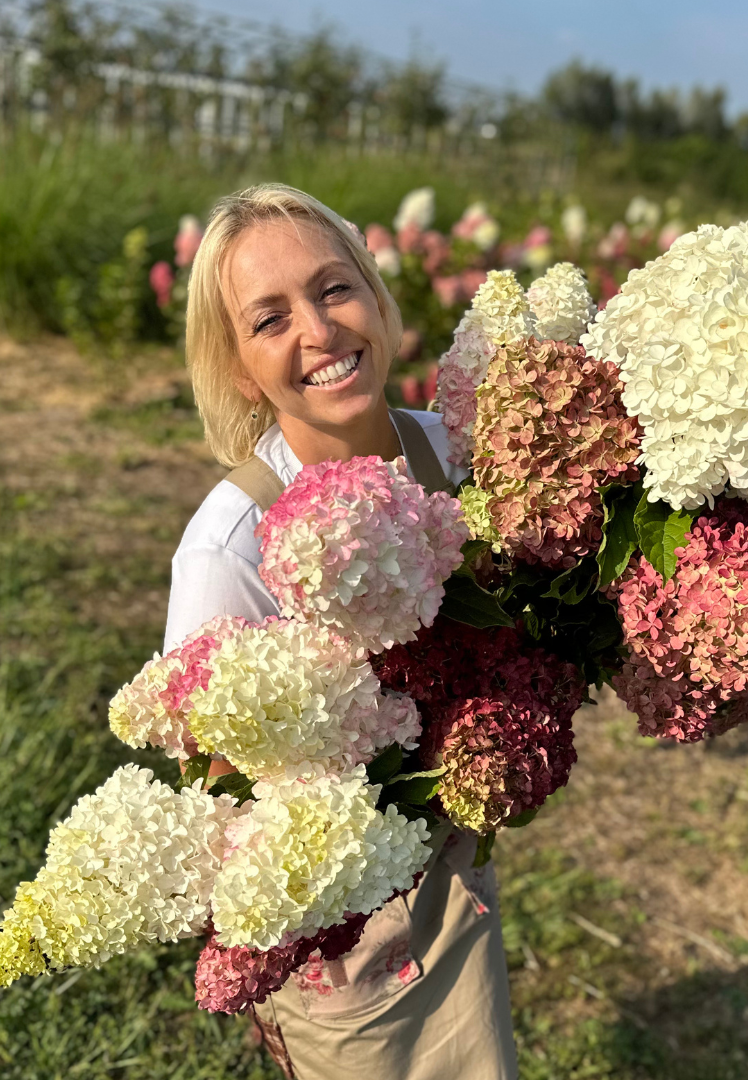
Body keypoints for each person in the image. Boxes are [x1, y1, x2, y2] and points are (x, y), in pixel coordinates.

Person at [164, 183, 518, 1080]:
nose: (319, 332)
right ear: (241, 369)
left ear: (376, 295)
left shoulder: (452, 455)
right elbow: (218, 792)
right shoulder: (229, 548)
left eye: (333, 289)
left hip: (455, 876)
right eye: (270, 318)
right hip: (346, 940)